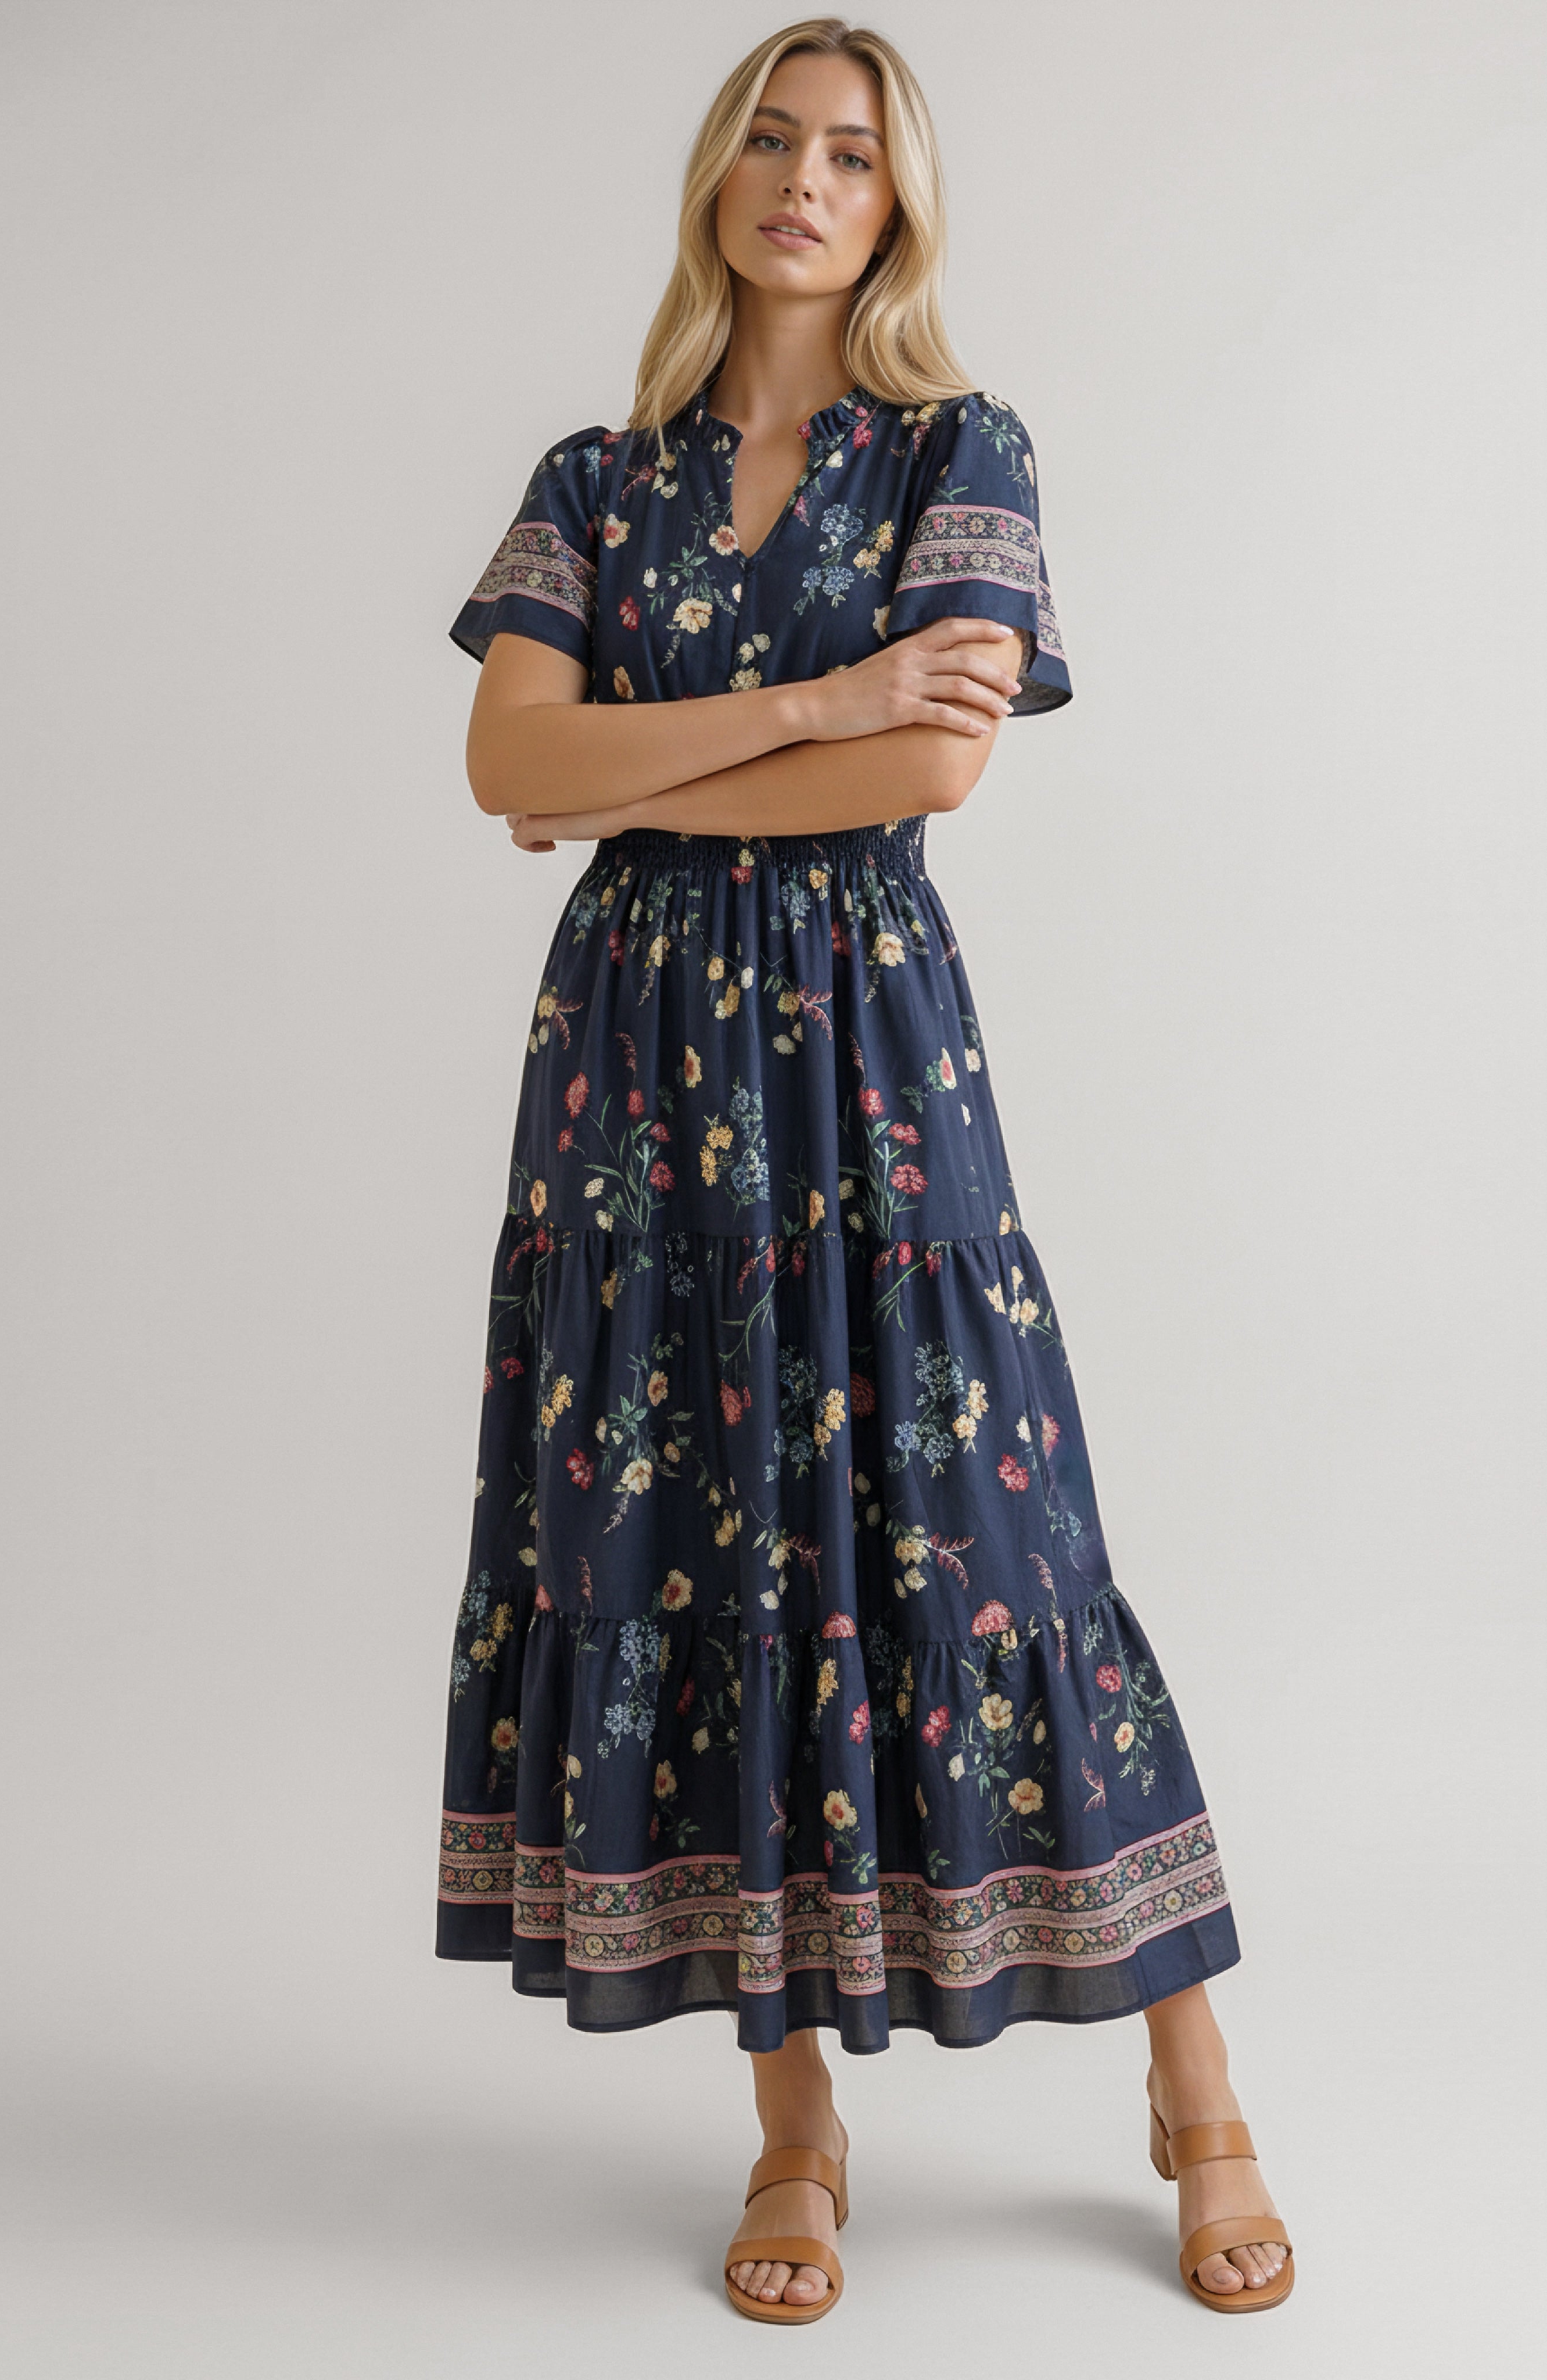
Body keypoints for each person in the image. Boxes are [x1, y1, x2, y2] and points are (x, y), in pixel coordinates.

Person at [435, 15, 1292, 2325]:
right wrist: (813, 701)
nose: (803, 181)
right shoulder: (592, 479)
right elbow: (501, 758)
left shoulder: (956, 449)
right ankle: (794, 2117)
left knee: (993, 1541)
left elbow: (927, 780)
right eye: (770, 140)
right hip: (628, 1071)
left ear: (894, 204)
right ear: (716, 177)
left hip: (864, 1057)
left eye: (849, 154)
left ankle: (1192, 2082)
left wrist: (637, 772)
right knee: (705, 1532)